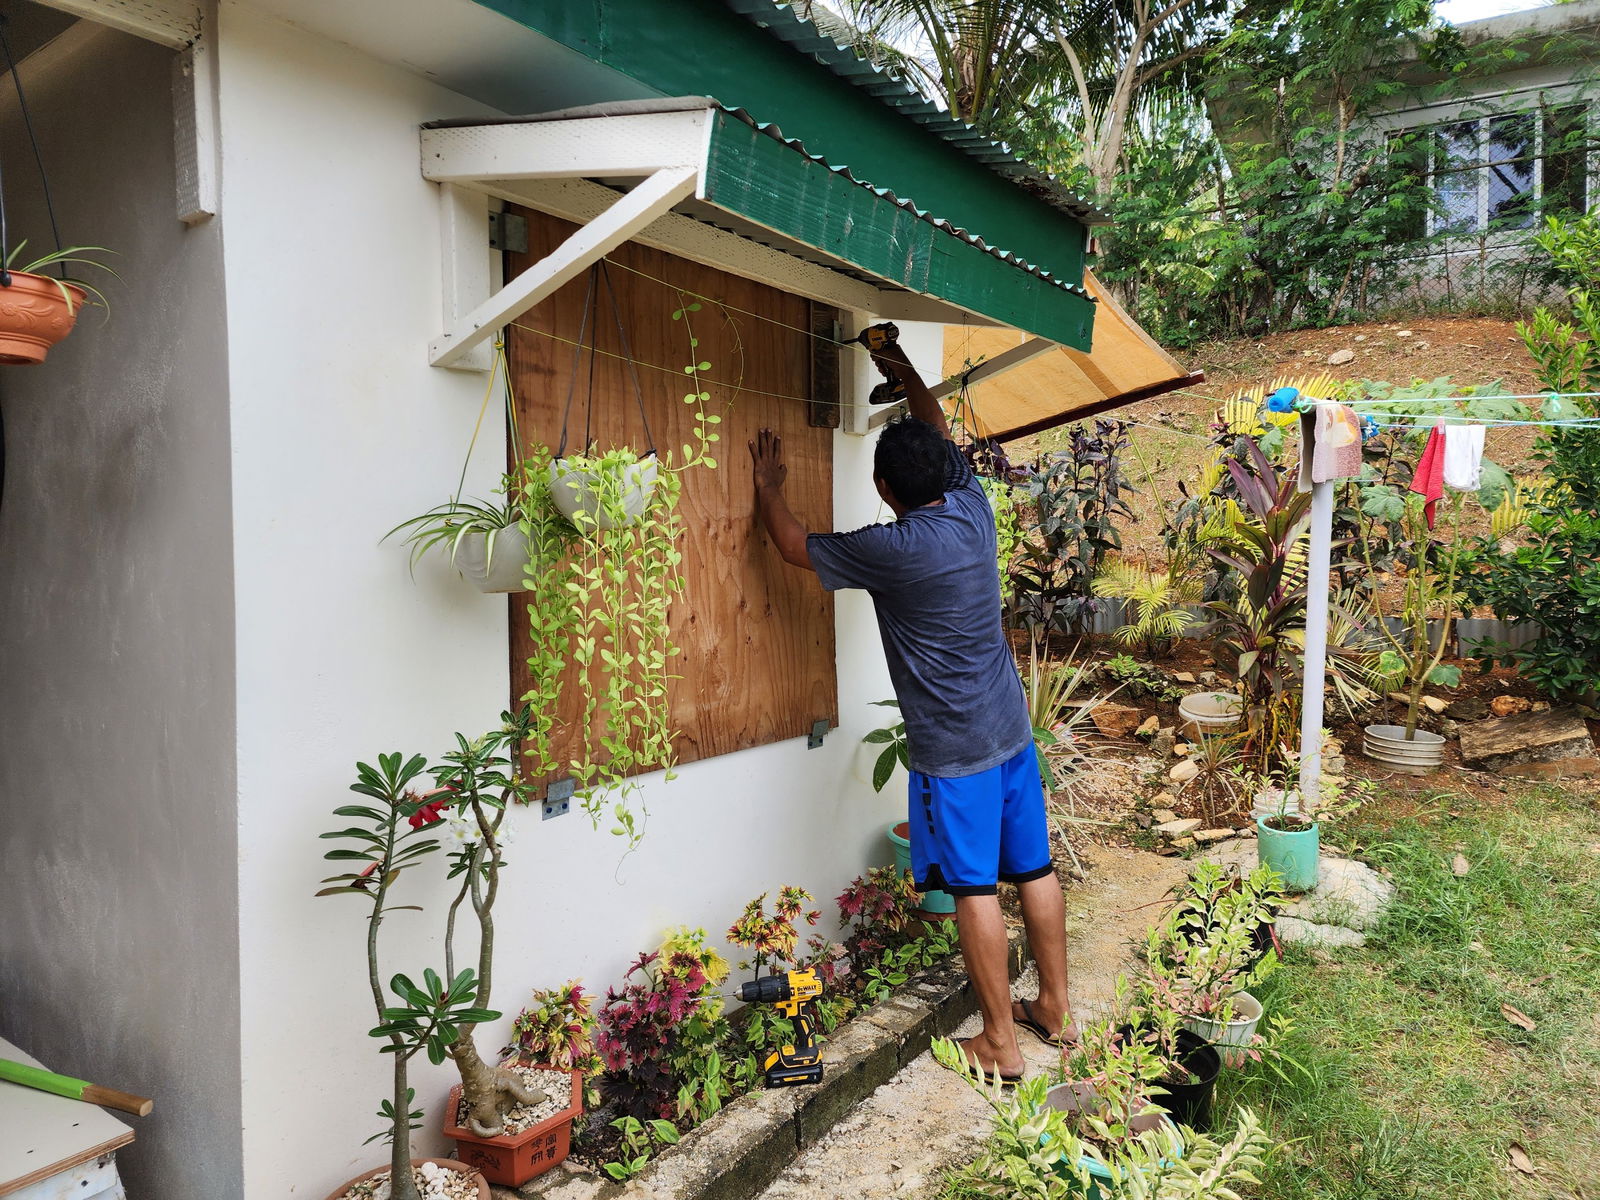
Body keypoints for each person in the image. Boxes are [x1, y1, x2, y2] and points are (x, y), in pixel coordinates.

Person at [748, 339, 1074, 1081]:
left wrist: (768, 486)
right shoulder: (970, 504)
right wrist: (904, 371)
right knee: (1035, 869)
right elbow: (933, 427)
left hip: (956, 753)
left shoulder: (891, 549)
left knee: (970, 890)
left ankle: (1000, 1041)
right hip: (1010, 730)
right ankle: (1054, 1006)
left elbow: (795, 545)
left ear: (884, 487)